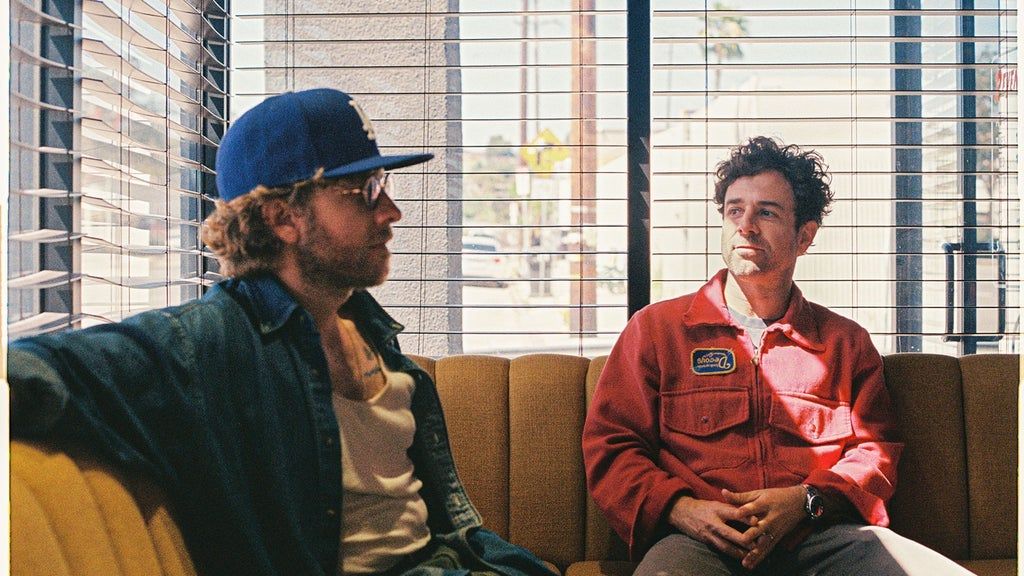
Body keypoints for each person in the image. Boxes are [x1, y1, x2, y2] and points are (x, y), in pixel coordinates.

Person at [9, 88, 556, 576]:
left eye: (383, 185)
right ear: (282, 218)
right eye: (364, 190)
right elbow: (36, 369)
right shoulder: (210, 341)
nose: (392, 212)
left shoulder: (368, 326)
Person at [581, 136, 974, 575]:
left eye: (766, 212)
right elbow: (612, 446)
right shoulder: (657, 332)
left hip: (823, 540)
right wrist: (681, 509)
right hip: (699, 543)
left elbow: (875, 453)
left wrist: (806, 501)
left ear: (804, 237)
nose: (746, 225)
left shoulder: (846, 344)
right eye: (734, 210)